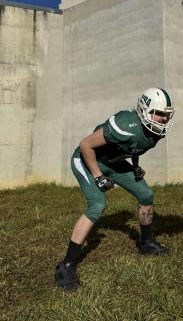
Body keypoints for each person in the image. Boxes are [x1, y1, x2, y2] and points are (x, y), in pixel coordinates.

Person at [55, 87, 174, 290]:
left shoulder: (154, 132)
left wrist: (135, 165)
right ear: (144, 110)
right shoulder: (124, 124)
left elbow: (135, 147)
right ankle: (66, 265)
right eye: (159, 114)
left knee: (146, 194)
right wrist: (97, 176)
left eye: (166, 115)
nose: (163, 119)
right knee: (97, 205)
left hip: (113, 162)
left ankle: (146, 242)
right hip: (87, 160)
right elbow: (85, 145)